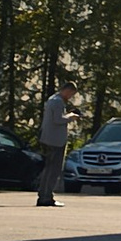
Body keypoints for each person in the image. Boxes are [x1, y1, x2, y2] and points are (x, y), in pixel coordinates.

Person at [34, 74, 75, 210]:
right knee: (54, 169)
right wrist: (71, 116)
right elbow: (58, 119)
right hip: (55, 140)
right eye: (71, 94)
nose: (70, 97)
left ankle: (44, 195)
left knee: (49, 168)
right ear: (67, 90)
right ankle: (46, 196)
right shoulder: (58, 102)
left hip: (48, 138)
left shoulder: (52, 100)